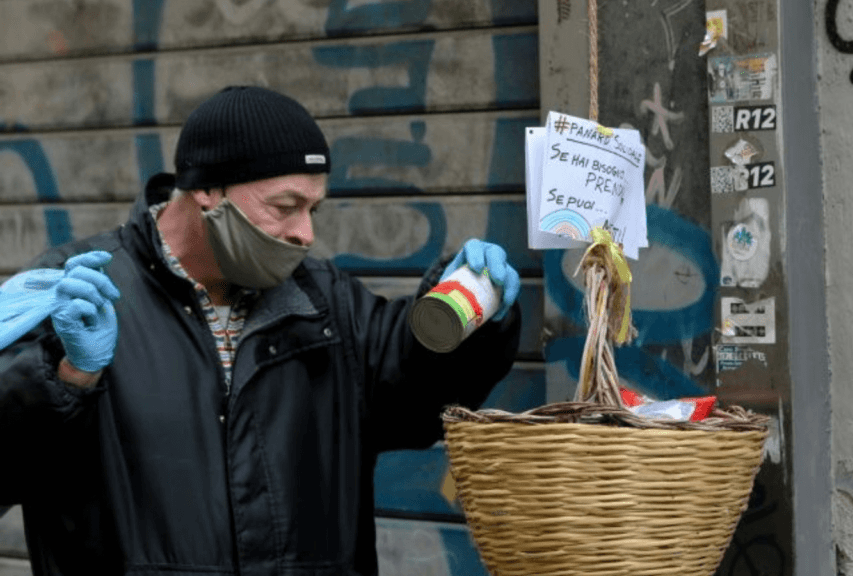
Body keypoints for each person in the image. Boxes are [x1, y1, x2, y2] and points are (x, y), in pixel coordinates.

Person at [0, 86, 522, 576]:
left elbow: (415, 393)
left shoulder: (327, 303)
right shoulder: (81, 291)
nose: (305, 233)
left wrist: (473, 318)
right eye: (285, 207)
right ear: (206, 189)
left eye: (313, 209)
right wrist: (65, 379)